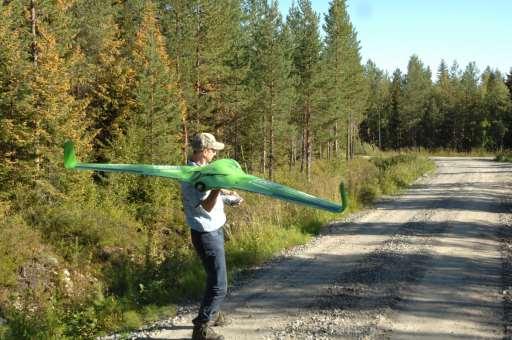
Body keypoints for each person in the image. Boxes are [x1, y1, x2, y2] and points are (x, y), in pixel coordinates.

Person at [180, 133, 243, 340]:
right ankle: (201, 328)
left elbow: (213, 198)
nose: (215, 153)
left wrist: (230, 197)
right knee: (219, 285)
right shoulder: (191, 175)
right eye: (213, 150)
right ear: (204, 151)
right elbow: (206, 205)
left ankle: (212, 313)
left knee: (214, 278)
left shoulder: (203, 171)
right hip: (206, 234)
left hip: (214, 229)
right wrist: (217, 187)